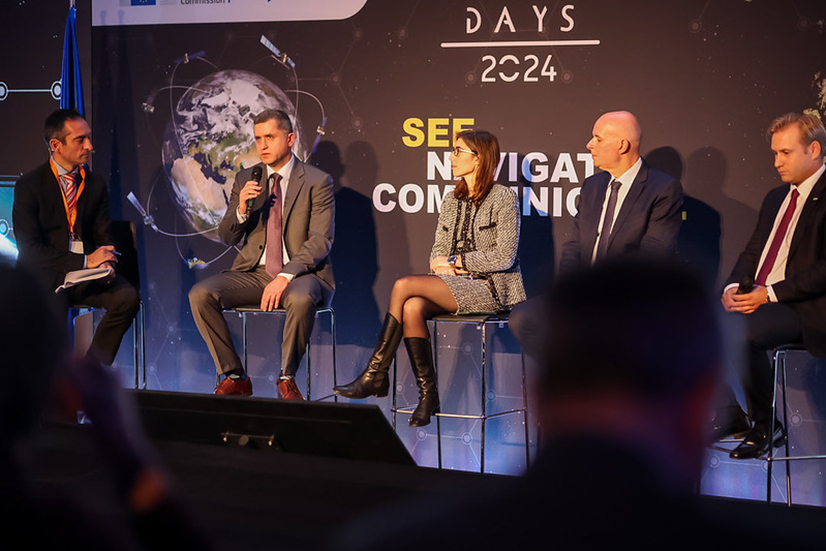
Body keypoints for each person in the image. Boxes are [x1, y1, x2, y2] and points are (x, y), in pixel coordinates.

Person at [334, 258, 822, 550]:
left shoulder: (393, 542)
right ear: (699, 408)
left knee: (409, 292)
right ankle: (387, 377)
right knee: (415, 298)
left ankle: (380, 376)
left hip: (490, 284)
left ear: (539, 396)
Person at [0, 262, 209, 549]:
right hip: (56, 275)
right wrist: (129, 458)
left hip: (93, 281)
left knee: (125, 297)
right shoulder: (53, 525)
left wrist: (102, 264)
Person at [333, 129, 525, 427]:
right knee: (412, 307)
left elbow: (504, 256)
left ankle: (376, 373)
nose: (451, 157)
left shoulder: (503, 197)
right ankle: (428, 395)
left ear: (478, 158)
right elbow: (437, 252)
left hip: (491, 289)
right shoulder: (452, 199)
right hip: (456, 285)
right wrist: (441, 264)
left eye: (458, 151)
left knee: (404, 285)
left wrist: (457, 262)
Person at [509, 110, 683, 358]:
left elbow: (652, 256)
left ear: (622, 145)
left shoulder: (662, 188)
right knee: (523, 318)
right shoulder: (592, 186)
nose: (589, 144)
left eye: (598, 138)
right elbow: (574, 246)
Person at [189, 109, 335, 400]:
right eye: (258, 139)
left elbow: (321, 241)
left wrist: (285, 276)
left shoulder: (317, 181)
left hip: (302, 275)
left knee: (300, 298)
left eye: (270, 137)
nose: (263, 145)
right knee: (200, 294)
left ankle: (286, 379)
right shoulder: (247, 178)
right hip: (254, 273)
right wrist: (241, 209)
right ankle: (235, 376)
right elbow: (228, 237)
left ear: (290, 139)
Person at [720, 112, 826, 460]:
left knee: (740, 331)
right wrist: (733, 287)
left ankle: (765, 426)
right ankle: (728, 413)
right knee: (700, 321)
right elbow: (753, 252)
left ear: (814, 149)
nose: (777, 162)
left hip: (807, 307)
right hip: (765, 300)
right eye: (775, 153)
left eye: (785, 152)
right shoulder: (775, 198)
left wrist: (769, 294)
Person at [13, 108, 140, 366]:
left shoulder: (95, 183)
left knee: (127, 298)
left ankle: (89, 372)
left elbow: (103, 234)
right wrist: (86, 261)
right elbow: (30, 251)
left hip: (86, 276)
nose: (89, 146)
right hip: (48, 278)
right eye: (80, 140)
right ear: (56, 145)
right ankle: (51, 380)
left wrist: (106, 263)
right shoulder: (29, 186)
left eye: (88, 137)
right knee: (51, 310)